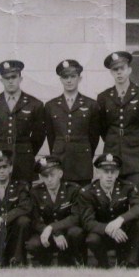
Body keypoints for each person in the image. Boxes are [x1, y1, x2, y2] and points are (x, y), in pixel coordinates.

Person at [97, 51, 139, 198]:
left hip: (136, 158)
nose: (119, 73)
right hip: (112, 155)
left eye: (122, 68)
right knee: (113, 200)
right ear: (111, 73)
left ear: (129, 70)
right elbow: (102, 128)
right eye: (115, 70)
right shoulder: (104, 97)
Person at [79, 153, 139, 268]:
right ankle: (103, 264)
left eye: (113, 172)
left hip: (122, 235)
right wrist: (108, 229)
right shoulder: (87, 192)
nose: (110, 176)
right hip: (102, 235)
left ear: (117, 173)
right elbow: (87, 222)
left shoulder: (127, 187)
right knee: (92, 239)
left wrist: (120, 220)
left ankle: (130, 264)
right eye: (106, 172)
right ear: (98, 172)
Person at [0, 59, 46, 182]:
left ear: (20, 79)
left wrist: (27, 152)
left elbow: (39, 134)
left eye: (14, 77)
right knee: (0, 196)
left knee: (25, 196)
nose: (10, 81)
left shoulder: (34, 104)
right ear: (1, 80)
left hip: (24, 158)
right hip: (0, 158)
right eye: (7, 78)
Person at [43, 59, 101, 187]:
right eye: (65, 77)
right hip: (60, 160)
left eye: (73, 76)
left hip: (82, 162)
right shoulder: (51, 106)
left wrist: (85, 154)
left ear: (79, 78)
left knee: (83, 199)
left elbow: (94, 136)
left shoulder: (91, 105)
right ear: (61, 80)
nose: (69, 80)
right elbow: (51, 136)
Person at [24, 155, 84, 267]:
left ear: (60, 174)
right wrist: (55, 234)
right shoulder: (35, 192)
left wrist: (53, 228)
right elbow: (35, 220)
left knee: (76, 233)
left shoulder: (73, 190)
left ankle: (69, 260)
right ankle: (45, 261)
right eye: (45, 176)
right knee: (33, 244)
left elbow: (76, 217)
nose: (49, 179)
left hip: (67, 234)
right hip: (47, 235)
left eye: (52, 175)